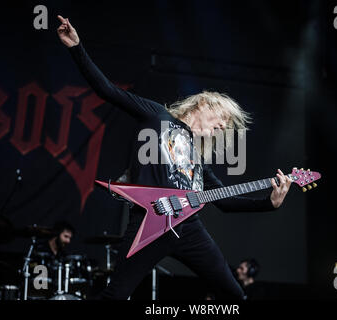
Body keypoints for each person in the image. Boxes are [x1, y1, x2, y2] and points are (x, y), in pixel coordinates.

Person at [56, 15, 293, 300]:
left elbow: (225, 201)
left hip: (189, 229)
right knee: (115, 296)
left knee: (235, 297)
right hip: (149, 222)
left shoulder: (196, 157)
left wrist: (269, 203)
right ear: (205, 103)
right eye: (222, 119)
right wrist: (76, 47)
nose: (222, 127)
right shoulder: (158, 116)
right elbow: (107, 90)